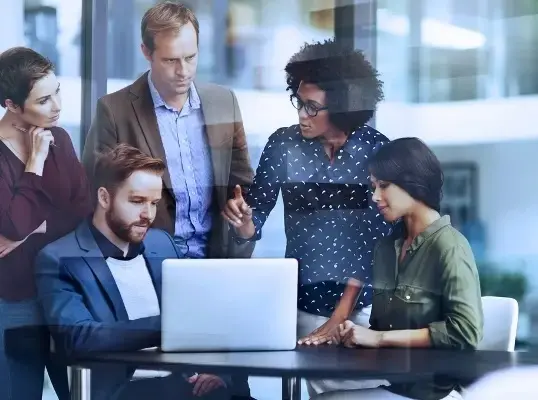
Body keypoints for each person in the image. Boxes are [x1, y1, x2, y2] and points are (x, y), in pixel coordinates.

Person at [222, 38, 391, 396]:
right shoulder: (283, 145)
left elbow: (376, 245)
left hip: (360, 308)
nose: (302, 115)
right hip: (300, 304)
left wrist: (338, 318)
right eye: (299, 103)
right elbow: (257, 217)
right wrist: (244, 222)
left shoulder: (376, 150)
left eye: (313, 107)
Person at [35, 144, 233, 400]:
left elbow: (202, 313)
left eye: (154, 203)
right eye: (137, 201)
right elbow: (78, 338)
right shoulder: (58, 257)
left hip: (184, 386)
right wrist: (171, 328)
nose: (147, 215)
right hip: (120, 393)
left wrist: (216, 371)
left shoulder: (162, 243)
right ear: (104, 198)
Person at [81, 1, 254, 261]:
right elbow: (93, 197)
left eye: (190, 57)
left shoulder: (223, 102)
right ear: (146, 52)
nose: (183, 71)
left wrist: (242, 215)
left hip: (216, 262)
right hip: (145, 264)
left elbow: (242, 184)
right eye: (170, 60)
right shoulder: (114, 111)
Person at [313, 138, 484, 400]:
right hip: (391, 382)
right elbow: (381, 328)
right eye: (373, 187)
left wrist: (379, 338)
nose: (375, 196)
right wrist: (356, 336)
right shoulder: (385, 249)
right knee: (319, 382)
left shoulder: (450, 247)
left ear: (413, 183)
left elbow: (465, 332)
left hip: (433, 392)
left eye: (384, 186)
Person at [0, 46, 92, 400]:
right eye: (43, 100)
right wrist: (34, 161)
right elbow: (11, 224)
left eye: (57, 92)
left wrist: (30, 232)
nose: (57, 106)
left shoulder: (62, 139)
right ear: (11, 105)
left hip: (65, 294)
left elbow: (81, 214)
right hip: (15, 301)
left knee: (80, 393)